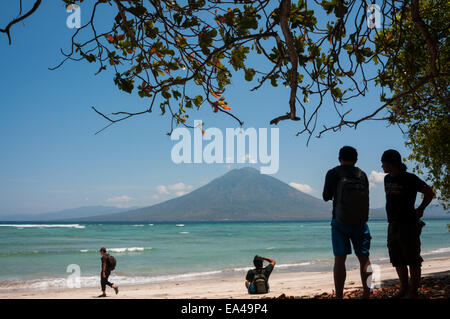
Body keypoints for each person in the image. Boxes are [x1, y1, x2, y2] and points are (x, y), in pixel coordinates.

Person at [381, 149, 435, 299]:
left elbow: (429, 192)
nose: (382, 166)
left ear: (392, 163)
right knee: (397, 259)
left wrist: (421, 208)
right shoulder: (387, 179)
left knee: (413, 259)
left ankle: (413, 292)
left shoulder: (409, 178)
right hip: (392, 224)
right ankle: (404, 288)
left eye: (383, 163)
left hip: (409, 224)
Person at [323, 146, 372, 299]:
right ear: (356, 159)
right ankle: (367, 293)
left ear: (339, 158)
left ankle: (339, 296)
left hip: (340, 221)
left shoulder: (333, 173)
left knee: (340, 259)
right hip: (360, 222)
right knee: (364, 258)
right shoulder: (362, 174)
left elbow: (326, 196)